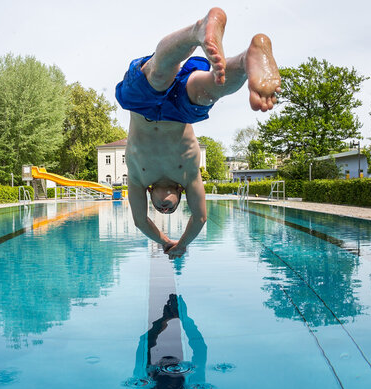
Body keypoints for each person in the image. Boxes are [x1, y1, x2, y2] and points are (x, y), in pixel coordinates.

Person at [117, 7, 280, 259]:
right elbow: (200, 217)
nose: (164, 210)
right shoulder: (188, 175)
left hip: (142, 106)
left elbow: (140, 221)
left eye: (160, 211)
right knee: (211, 88)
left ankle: (200, 31)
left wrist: (164, 241)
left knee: (158, 75)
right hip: (181, 113)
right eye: (170, 211)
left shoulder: (138, 179)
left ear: (150, 195)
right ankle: (248, 57)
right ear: (182, 193)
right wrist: (181, 245)